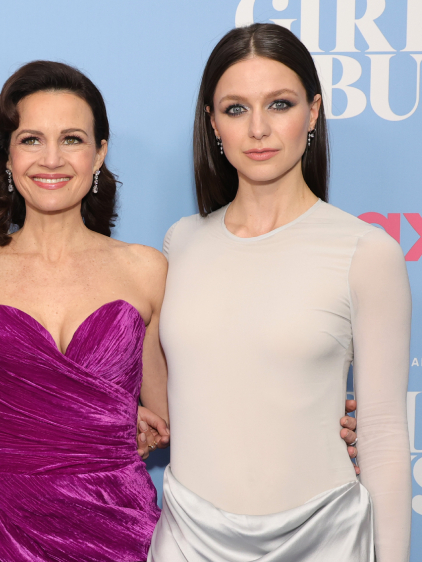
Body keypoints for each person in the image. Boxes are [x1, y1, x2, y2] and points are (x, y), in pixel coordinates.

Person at [149, 23, 410, 562]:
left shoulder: (367, 252)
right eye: (236, 108)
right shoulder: (180, 243)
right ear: (212, 122)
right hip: (189, 541)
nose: (259, 129)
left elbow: (383, 437)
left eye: (280, 104)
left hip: (325, 541)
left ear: (313, 113)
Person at [0, 60, 167, 561]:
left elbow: (173, 417)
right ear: (8, 155)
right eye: (32, 139)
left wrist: (315, 420)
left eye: (73, 139)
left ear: (100, 152)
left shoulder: (147, 271)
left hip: (117, 530)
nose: (51, 159)